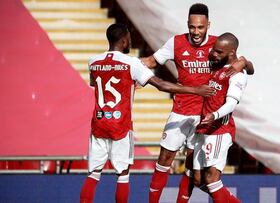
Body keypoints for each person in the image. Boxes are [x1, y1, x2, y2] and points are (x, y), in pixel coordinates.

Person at [79, 23, 215, 203]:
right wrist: (196, 90)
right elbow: (160, 84)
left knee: (93, 174)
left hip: (98, 123)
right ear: (124, 40)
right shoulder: (131, 63)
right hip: (120, 125)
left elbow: (96, 84)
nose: (130, 42)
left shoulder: (93, 62)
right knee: (122, 175)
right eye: (129, 38)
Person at [141, 3, 254, 203]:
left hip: (204, 117)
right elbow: (151, 62)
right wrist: (125, 63)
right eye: (192, 27)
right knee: (164, 160)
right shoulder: (176, 42)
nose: (196, 32)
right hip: (181, 110)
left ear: (208, 25)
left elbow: (241, 64)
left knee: (194, 172)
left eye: (200, 27)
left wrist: (244, 61)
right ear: (187, 24)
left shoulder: (217, 45)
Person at [193, 32, 247, 203]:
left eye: (218, 52)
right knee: (198, 180)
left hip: (219, 130)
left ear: (231, 53)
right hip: (203, 128)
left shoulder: (237, 74)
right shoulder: (217, 64)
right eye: (214, 50)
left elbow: (231, 104)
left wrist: (214, 115)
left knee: (211, 179)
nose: (213, 54)